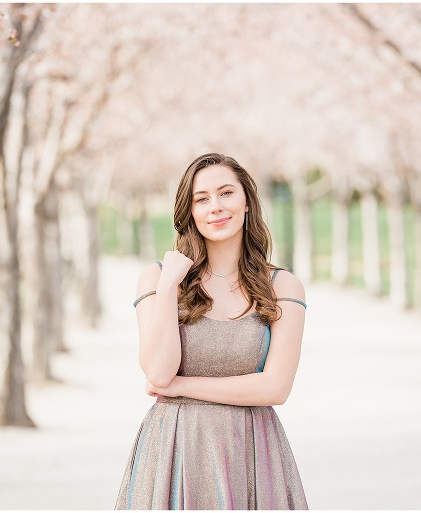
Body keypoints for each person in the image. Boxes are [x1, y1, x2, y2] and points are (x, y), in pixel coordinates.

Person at [115, 153, 308, 510]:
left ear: (246, 200)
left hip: (251, 449)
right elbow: (158, 371)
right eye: (201, 199)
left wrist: (180, 387)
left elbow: (276, 387)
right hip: (174, 448)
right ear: (189, 212)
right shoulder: (158, 278)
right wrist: (171, 283)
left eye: (226, 193)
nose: (215, 207)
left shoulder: (282, 285)